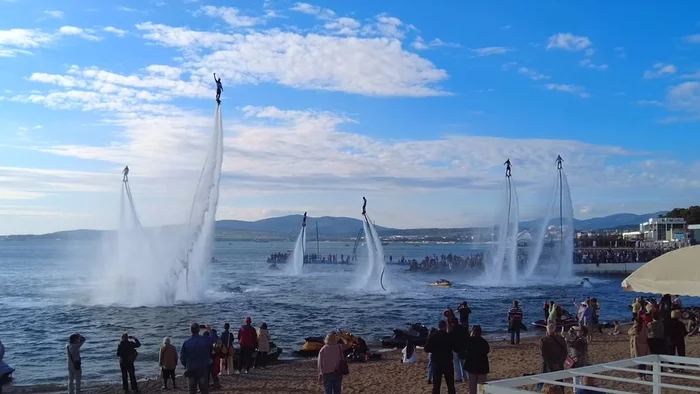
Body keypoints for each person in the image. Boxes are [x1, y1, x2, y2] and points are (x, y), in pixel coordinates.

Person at [424, 320, 457, 394]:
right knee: (450, 385)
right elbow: (456, 348)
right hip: (447, 362)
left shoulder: (433, 336)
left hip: (437, 362)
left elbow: (426, 349)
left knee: (436, 385)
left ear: (438, 327)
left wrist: (434, 350)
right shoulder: (449, 336)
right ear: (445, 326)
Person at [181, 322, 214, 394]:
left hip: (191, 368)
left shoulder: (186, 342)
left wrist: (186, 366)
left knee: (192, 390)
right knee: (204, 390)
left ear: (190, 331)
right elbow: (214, 339)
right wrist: (210, 330)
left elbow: (182, 358)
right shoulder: (204, 340)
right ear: (198, 330)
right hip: (202, 367)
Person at [463, 325, 489, 394]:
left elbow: (465, 348)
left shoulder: (469, 341)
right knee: (481, 388)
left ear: (473, 332)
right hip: (482, 367)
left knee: (472, 388)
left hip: (471, 367)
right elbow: (487, 351)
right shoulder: (484, 342)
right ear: (481, 332)